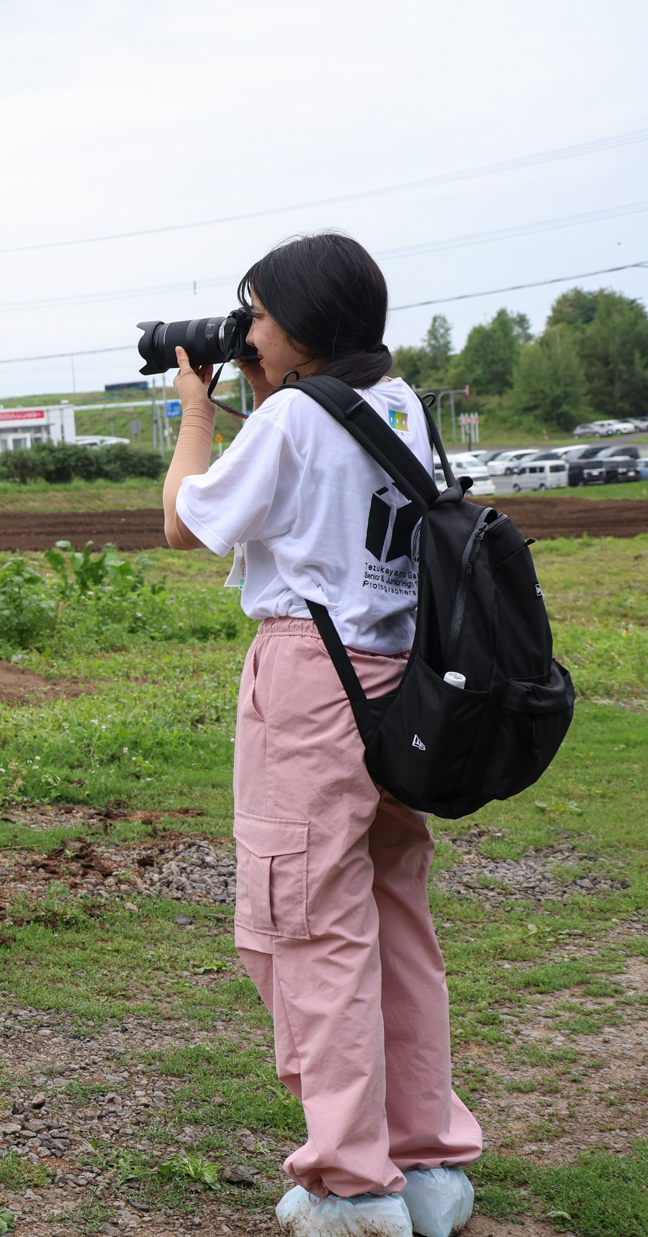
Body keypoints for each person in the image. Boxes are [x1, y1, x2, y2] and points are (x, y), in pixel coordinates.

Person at [161, 234, 480, 1237]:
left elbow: (187, 521)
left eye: (256, 313)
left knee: (305, 929)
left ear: (300, 322)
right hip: (404, 683)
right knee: (395, 919)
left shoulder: (293, 416)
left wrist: (200, 409)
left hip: (311, 682)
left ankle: (353, 1183)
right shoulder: (400, 403)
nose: (245, 330)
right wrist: (268, 390)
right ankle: (428, 1168)